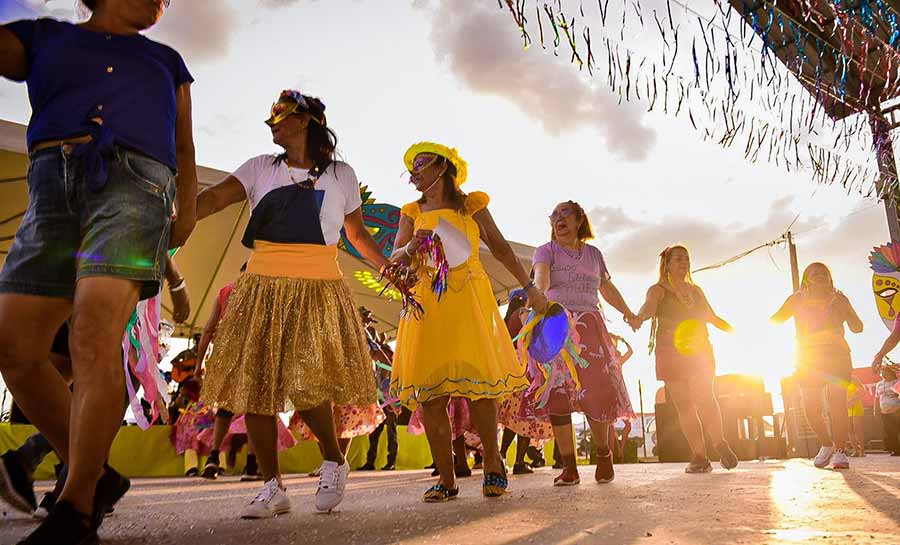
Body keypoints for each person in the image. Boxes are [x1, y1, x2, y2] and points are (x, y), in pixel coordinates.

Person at [0, 1, 197, 541]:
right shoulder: (41, 36)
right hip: (50, 184)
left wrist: (190, 203)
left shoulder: (168, 60)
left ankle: (76, 507)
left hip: (136, 186)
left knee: (92, 335)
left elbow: (183, 143)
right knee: (14, 345)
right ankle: (96, 474)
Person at [195, 89, 392, 518]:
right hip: (261, 284)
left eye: (281, 118)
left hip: (318, 286)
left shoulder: (342, 175)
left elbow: (357, 235)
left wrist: (386, 268)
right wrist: (178, 216)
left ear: (305, 122)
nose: (273, 125)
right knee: (257, 384)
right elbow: (213, 199)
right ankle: (272, 487)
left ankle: (335, 459)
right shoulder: (258, 167)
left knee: (305, 383)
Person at [389, 141, 548, 503]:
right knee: (430, 393)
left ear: (443, 168)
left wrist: (529, 288)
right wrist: (412, 249)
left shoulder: (471, 204)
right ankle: (446, 478)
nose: (413, 173)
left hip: (470, 298)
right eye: (410, 168)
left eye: (421, 165)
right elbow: (397, 261)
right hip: (429, 303)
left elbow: (502, 247)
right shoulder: (411, 211)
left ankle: (493, 462)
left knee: (480, 386)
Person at [519, 201, 635, 486]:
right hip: (557, 326)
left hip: (590, 327)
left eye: (565, 214)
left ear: (579, 220)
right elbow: (541, 277)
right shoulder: (545, 251)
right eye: (555, 215)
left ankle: (603, 453)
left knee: (596, 394)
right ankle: (569, 466)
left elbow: (606, 288)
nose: (559, 219)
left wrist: (628, 312)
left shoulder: (594, 254)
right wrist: (540, 296)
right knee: (558, 395)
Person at [630, 245, 739, 474]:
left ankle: (720, 443)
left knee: (704, 395)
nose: (684, 262)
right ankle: (700, 457)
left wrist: (734, 330)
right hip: (670, 352)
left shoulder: (696, 291)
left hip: (699, 351)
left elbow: (710, 316)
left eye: (686, 258)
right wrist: (638, 317)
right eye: (678, 258)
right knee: (685, 407)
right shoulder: (658, 290)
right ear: (666, 264)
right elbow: (648, 307)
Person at [771, 262, 864, 470]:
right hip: (808, 358)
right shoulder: (797, 299)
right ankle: (826, 443)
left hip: (837, 356)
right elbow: (776, 320)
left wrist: (846, 311)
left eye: (824, 272)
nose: (820, 274)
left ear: (829, 279)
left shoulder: (839, 299)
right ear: (806, 279)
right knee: (811, 407)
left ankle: (840, 450)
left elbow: (858, 327)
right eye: (814, 272)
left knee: (836, 402)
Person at [498, 288, 553, 475]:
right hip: (525, 368)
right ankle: (519, 462)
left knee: (513, 418)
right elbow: (531, 333)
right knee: (525, 416)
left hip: (510, 369)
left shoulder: (505, 321)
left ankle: (502, 455)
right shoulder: (523, 314)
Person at [874, 365, 900, 455]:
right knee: (889, 431)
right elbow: (876, 398)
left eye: (885, 372)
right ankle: (895, 450)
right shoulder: (879, 384)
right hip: (884, 411)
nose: (883, 374)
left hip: (897, 410)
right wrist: (875, 409)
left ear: (891, 373)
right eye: (882, 372)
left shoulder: (897, 382)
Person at [846, 376, 866, 457]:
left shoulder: (853, 379)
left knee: (857, 429)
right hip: (846, 408)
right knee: (849, 430)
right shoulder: (839, 381)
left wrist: (853, 399)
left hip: (856, 406)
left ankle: (862, 450)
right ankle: (855, 450)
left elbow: (863, 392)